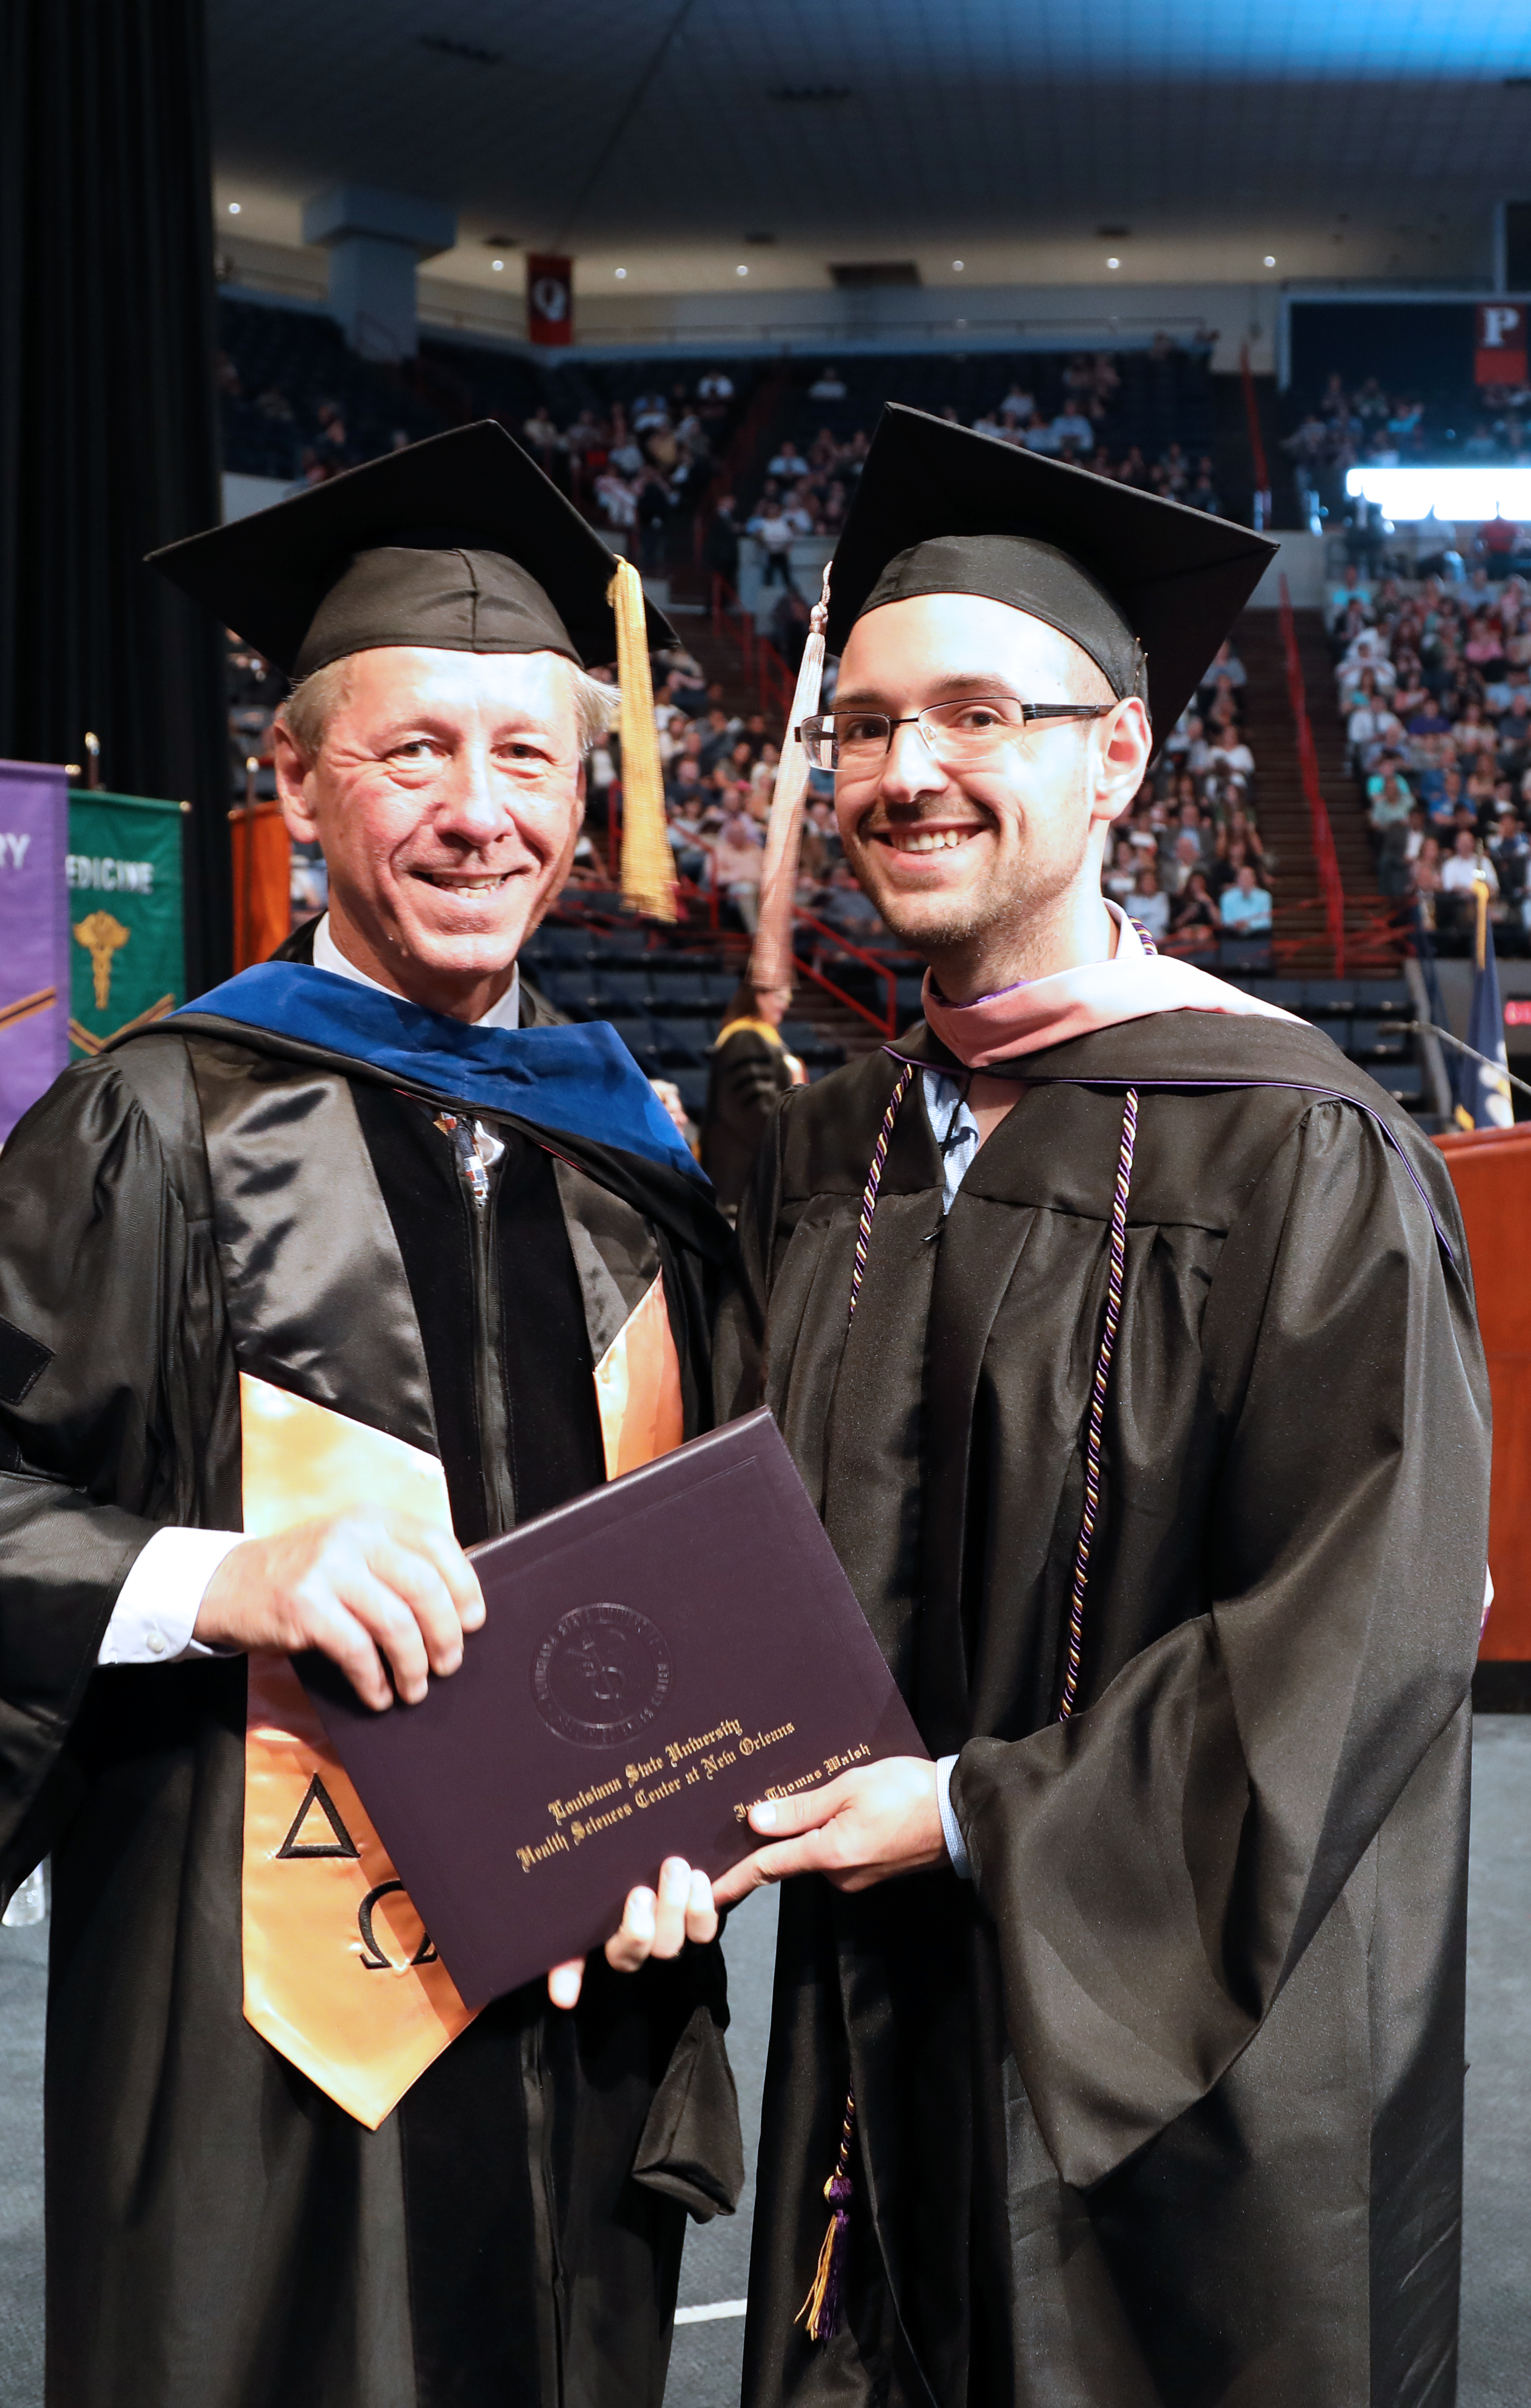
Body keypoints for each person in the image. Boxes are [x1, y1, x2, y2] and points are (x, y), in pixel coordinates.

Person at [0, 424, 741, 2408]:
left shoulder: (634, 1158)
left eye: (524, 758)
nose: (478, 814)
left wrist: (703, 1824)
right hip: (263, 2021)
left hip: (576, 1992)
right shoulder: (162, 1121)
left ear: (589, 793)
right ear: (299, 778)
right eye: (412, 752)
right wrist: (216, 1573)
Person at [711, 408, 1485, 2406]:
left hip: (1193, 2065)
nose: (905, 772)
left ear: (1115, 755)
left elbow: (1367, 1622)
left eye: (977, 713)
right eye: (863, 727)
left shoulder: (1295, 1150)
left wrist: (974, 1815)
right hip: (885, 2018)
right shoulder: (837, 1147)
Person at [700, 977, 803, 1214]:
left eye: (788, 997)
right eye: (779, 997)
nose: (785, 1004)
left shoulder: (763, 1039)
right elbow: (758, 1106)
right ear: (759, 996)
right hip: (741, 1173)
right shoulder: (745, 1039)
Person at [1218, 856, 1273, 932]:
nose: (1246, 881)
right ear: (1237, 880)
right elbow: (1226, 921)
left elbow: (1266, 922)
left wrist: (1249, 925)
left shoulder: (1265, 897)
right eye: (1243, 878)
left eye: (1248, 878)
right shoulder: (1227, 897)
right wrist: (1237, 925)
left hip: (1257, 935)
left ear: (1254, 880)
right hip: (1233, 935)